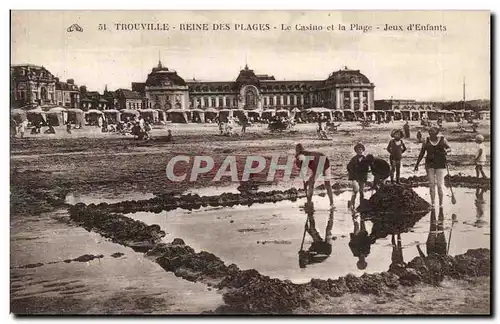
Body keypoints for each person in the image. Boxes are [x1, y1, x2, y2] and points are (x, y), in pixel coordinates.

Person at [414, 127, 451, 208]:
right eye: (430, 131)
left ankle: (441, 204)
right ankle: (433, 203)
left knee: (440, 185)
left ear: (437, 133)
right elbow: (422, 153)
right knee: (431, 184)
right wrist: (417, 164)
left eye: (433, 131)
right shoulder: (425, 140)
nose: (431, 133)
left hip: (440, 164)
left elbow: (449, 148)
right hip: (429, 164)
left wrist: (446, 151)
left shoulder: (442, 139)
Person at [295, 143, 334, 209]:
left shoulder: (310, 158)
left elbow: (316, 171)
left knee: (327, 183)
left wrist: (308, 181)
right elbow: (303, 169)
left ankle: (332, 203)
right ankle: (309, 202)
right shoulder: (301, 157)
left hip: (325, 163)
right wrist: (306, 181)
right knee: (311, 183)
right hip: (316, 164)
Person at [347, 142, 369, 210]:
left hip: (362, 178)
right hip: (355, 177)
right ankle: (351, 205)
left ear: (363, 150)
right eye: (358, 149)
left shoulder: (365, 159)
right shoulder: (353, 159)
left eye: (361, 149)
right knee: (355, 190)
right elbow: (349, 167)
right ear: (356, 151)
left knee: (361, 191)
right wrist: (352, 175)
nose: (359, 151)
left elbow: (367, 168)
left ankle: (361, 204)